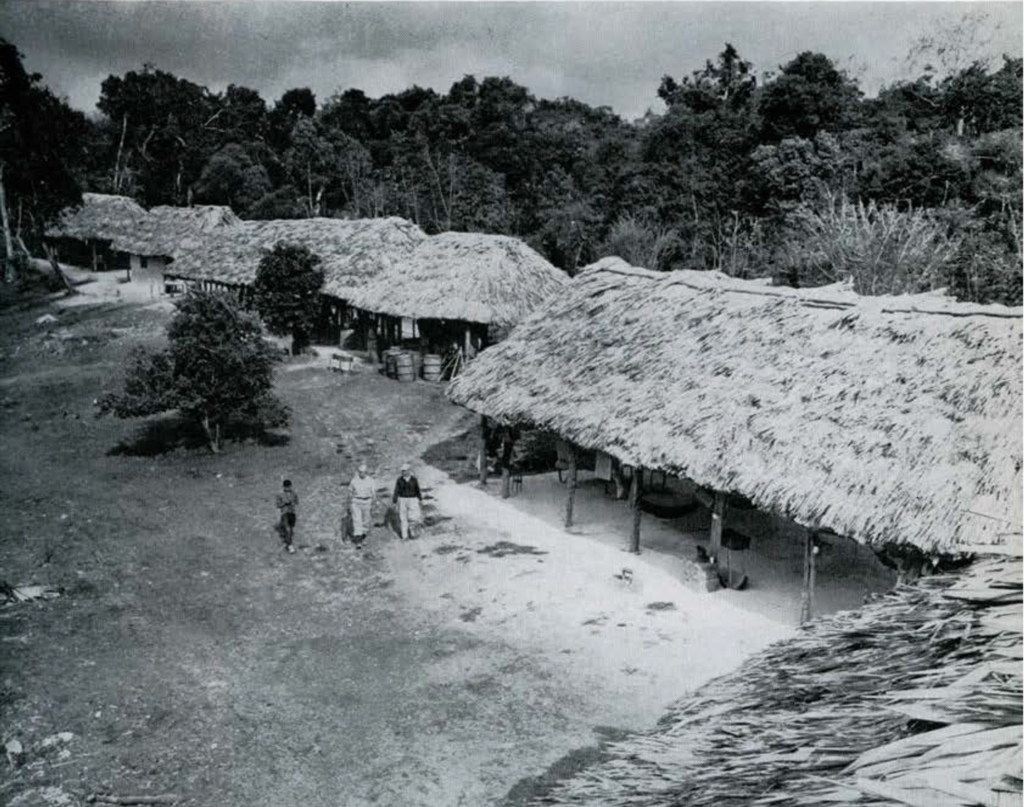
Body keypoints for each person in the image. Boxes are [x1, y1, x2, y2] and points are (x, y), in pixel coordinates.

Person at [348, 463, 376, 549]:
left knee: (366, 521)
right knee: (357, 521)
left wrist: (373, 502)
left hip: (367, 501)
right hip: (356, 501)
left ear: (366, 472)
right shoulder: (354, 481)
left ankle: (363, 537)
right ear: (358, 472)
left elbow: (374, 493)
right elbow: (350, 492)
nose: (362, 474)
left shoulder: (371, 481)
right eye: (360, 472)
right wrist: (350, 502)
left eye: (363, 472)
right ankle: (358, 541)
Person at [392, 463, 423, 540]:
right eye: (402, 471)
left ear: (409, 471)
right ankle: (404, 536)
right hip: (402, 499)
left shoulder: (414, 480)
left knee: (413, 517)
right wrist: (394, 501)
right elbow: (396, 491)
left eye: (404, 471)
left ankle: (413, 533)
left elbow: (417, 490)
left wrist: (420, 499)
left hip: (412, 499)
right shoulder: (399, 480)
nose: (403, 472)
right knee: (403, 518)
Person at [276, 479, 298, 554]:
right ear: (283, 487)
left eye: (288, 487)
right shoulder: (279, 495)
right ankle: (289, 545)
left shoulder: (294, 493)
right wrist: (284, 503)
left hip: (292, 513)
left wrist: (293, 503)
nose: (287, 488)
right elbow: (278, 505)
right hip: (284, 513)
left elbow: (297, 501)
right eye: (286, 487)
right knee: (288, 529)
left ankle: (288, 539)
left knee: (291, 529)